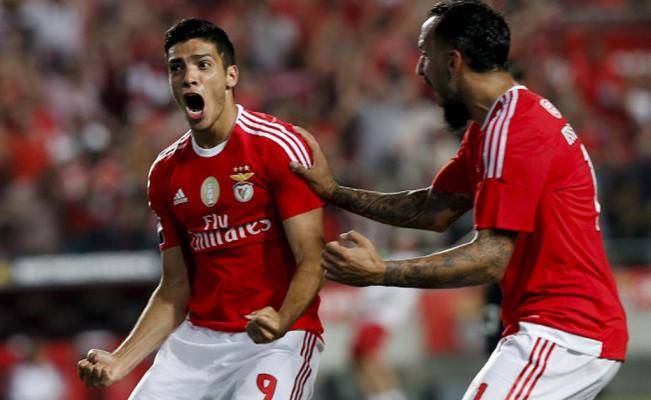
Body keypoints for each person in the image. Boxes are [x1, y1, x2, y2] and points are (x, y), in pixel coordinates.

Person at [290, 1, 628, 399]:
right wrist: (334, 192)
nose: (419, 69)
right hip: (561, 328)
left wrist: (381, 272)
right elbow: (433, 209)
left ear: (452, 61)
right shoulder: (495, 124)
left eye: (424, 54)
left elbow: (490, 257)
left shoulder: (514, 129)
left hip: (565, 330)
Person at [77, 18, 325, 400]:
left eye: (202, 65)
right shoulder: (165, 172)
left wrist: (282, 318)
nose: (189, 77)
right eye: (177, 67)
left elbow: (312, 256)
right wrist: (120, 361)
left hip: (278, 339)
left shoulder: (277, 146)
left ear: (230, 76)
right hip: (197, 343)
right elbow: (175, 288)